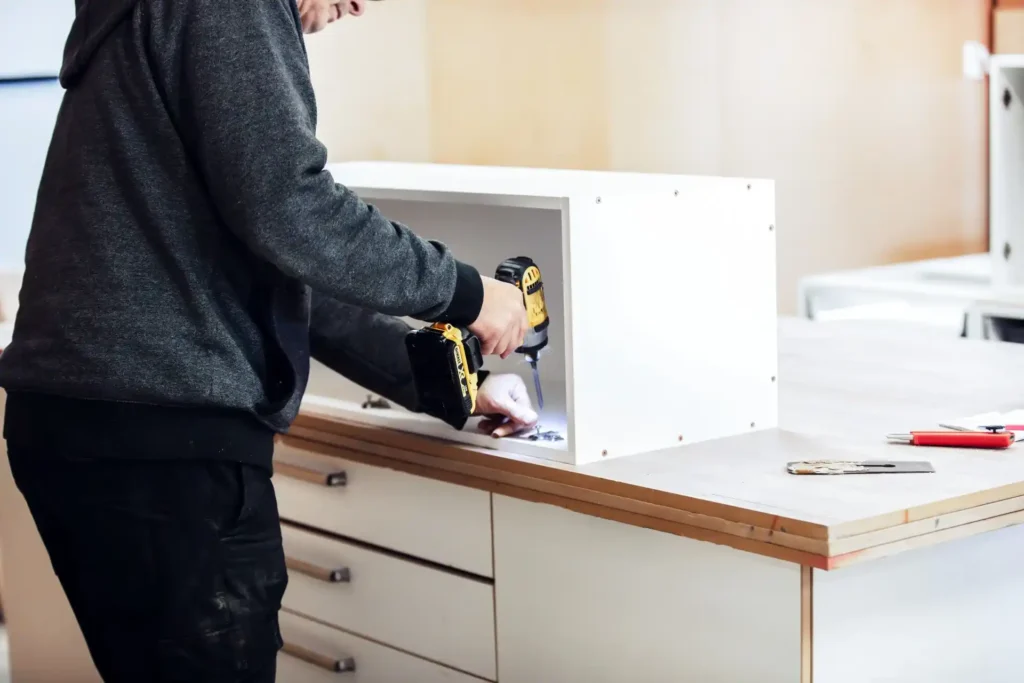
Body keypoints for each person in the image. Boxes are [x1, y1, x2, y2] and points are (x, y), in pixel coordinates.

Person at [0, 0, 538, 680]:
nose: (365, 4)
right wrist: (466, 293)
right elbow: (291, 209)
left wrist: (455, 386)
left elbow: (282, 266)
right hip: (166, 444)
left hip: (85, 429)